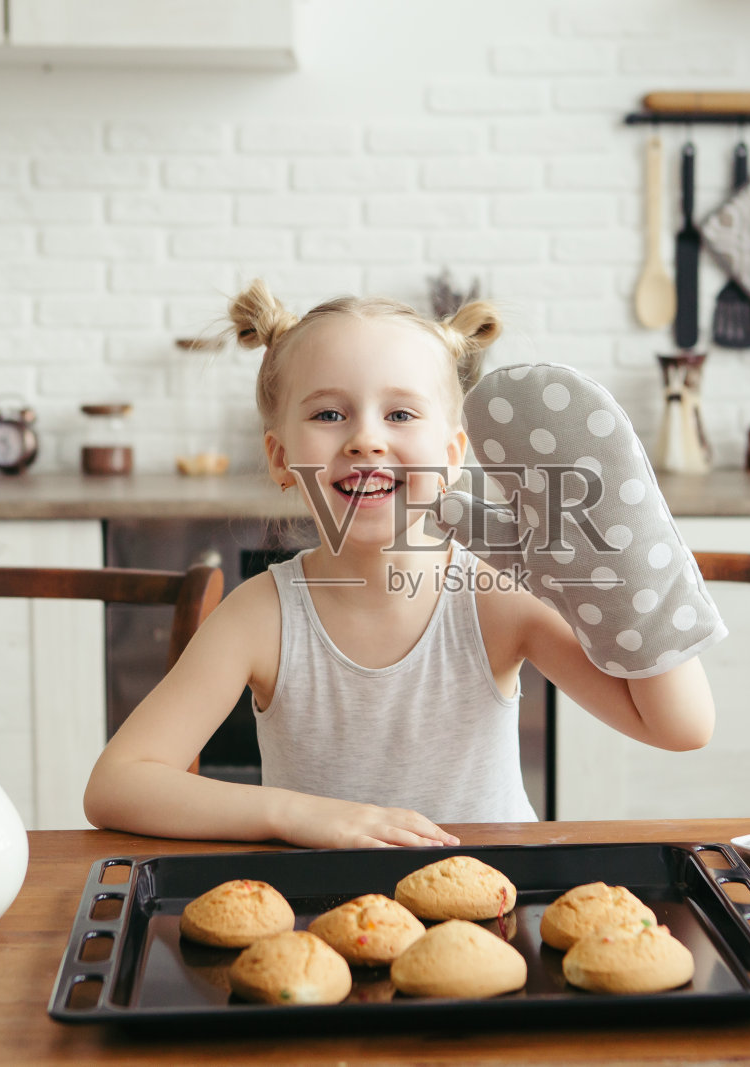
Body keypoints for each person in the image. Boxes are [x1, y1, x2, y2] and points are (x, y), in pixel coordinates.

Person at [83, 280, 715, 849]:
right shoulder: (260, 616)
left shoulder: (494, 595)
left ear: (452, 454)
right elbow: (117, 785)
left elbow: (681, 728)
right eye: (329, 414)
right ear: (281, 457)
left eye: (401, 414)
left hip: (494, 910)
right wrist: (297, 815)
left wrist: (626, 564)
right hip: (332, 921)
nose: (366, 438)